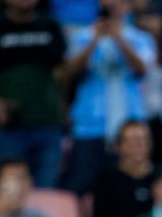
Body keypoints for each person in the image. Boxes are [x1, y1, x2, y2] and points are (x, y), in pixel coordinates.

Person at [63, 0, 157, 195]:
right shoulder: (82, 36)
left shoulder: (140, 38)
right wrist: (95, 40)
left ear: (127, 7)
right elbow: (70, 72)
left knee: (127, 186)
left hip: (130, 127)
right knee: (83, 186)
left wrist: (120, 39)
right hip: (89, 127)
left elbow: (142, 69)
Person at [0, 0, 67, 188]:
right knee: (9, 190)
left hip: (47, 123)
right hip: (7, 128)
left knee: (46, 192)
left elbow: (62, 74)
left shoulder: (51, 26)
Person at [92, 120, 156, 217]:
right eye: (131, 142)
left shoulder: (160, 177)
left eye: (142, 140)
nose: (138, 146)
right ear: (118, 146)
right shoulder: (107, 181)